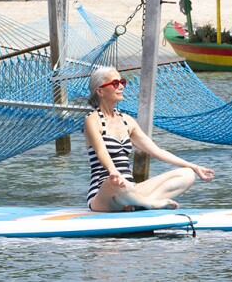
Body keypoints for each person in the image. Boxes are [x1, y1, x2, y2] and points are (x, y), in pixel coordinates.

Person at [84, 66, 214, 211]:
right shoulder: (92, 120)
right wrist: (113, 172)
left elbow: (157, 151)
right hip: (105, 194)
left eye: (122, 82)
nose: (121, 86)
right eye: (115, 83)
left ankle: (140, 203)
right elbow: (102, 152)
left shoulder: (127, 121)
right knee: (116, 183)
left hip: (130, 191)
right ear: (100, 91)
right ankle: (149, 204)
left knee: (187, 174)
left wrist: (194, 166)